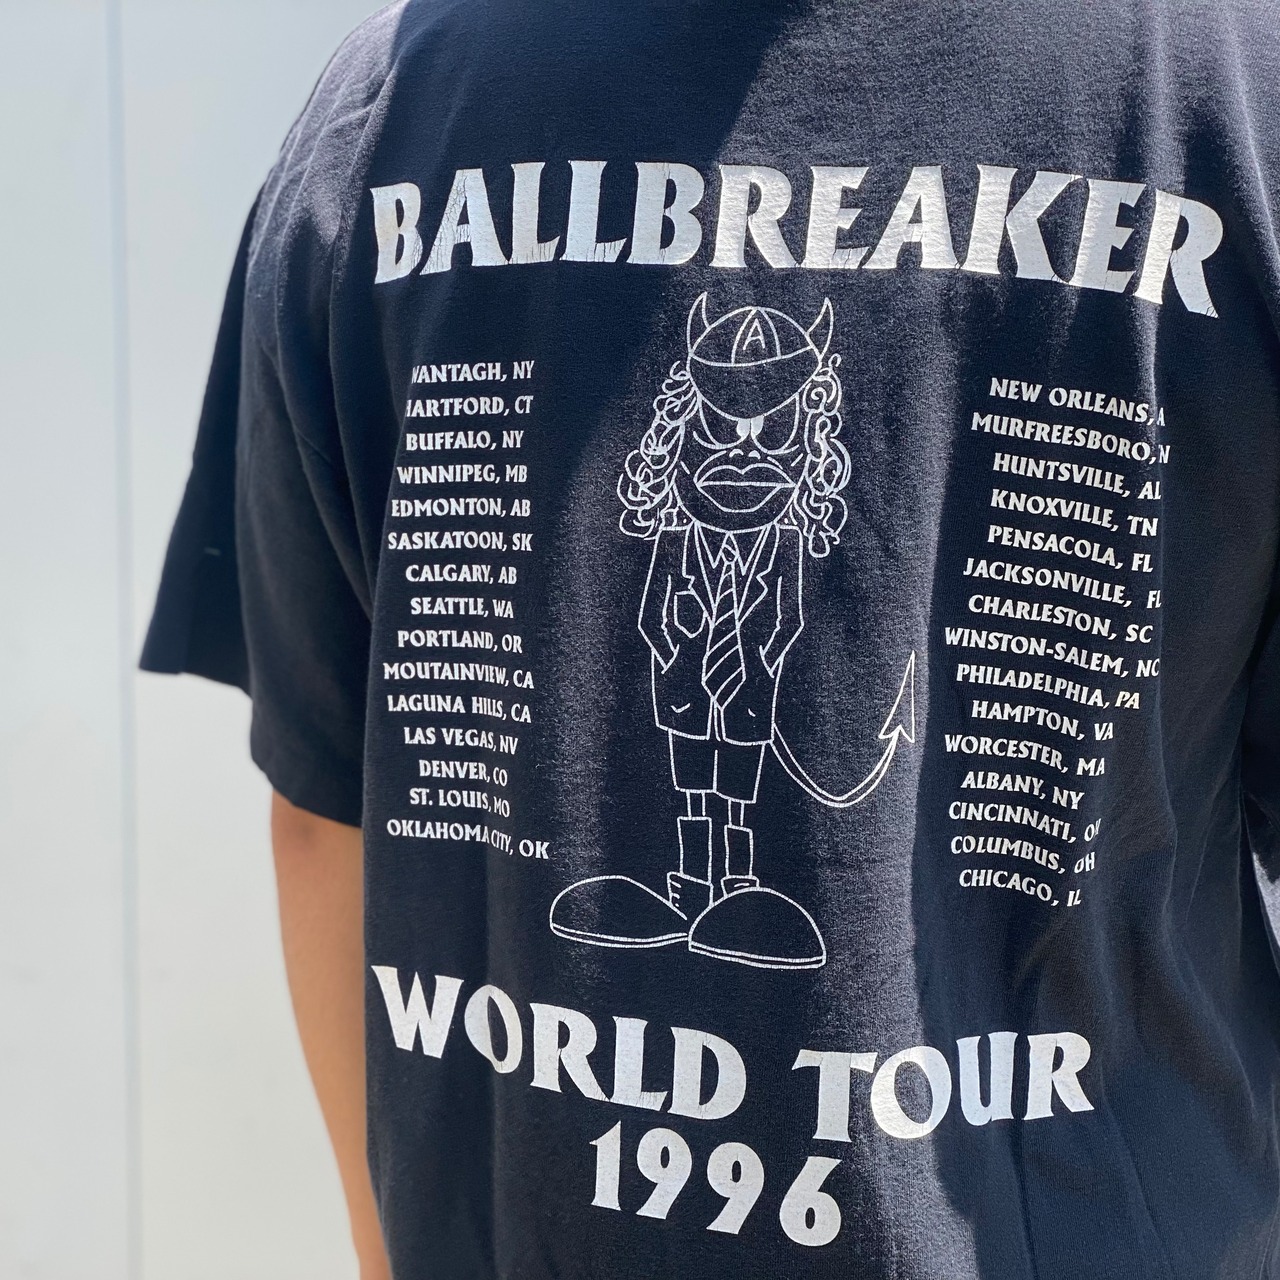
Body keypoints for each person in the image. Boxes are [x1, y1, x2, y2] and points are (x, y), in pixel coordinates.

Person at [142, 1, 1280, 1276]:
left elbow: (326, 808)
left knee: (729, 724)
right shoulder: (1232, 105)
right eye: (718, 424)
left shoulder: (379, 124)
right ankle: (699, 883)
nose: (738, 448)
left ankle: (722, 881)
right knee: (697, 722)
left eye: (765, 427)